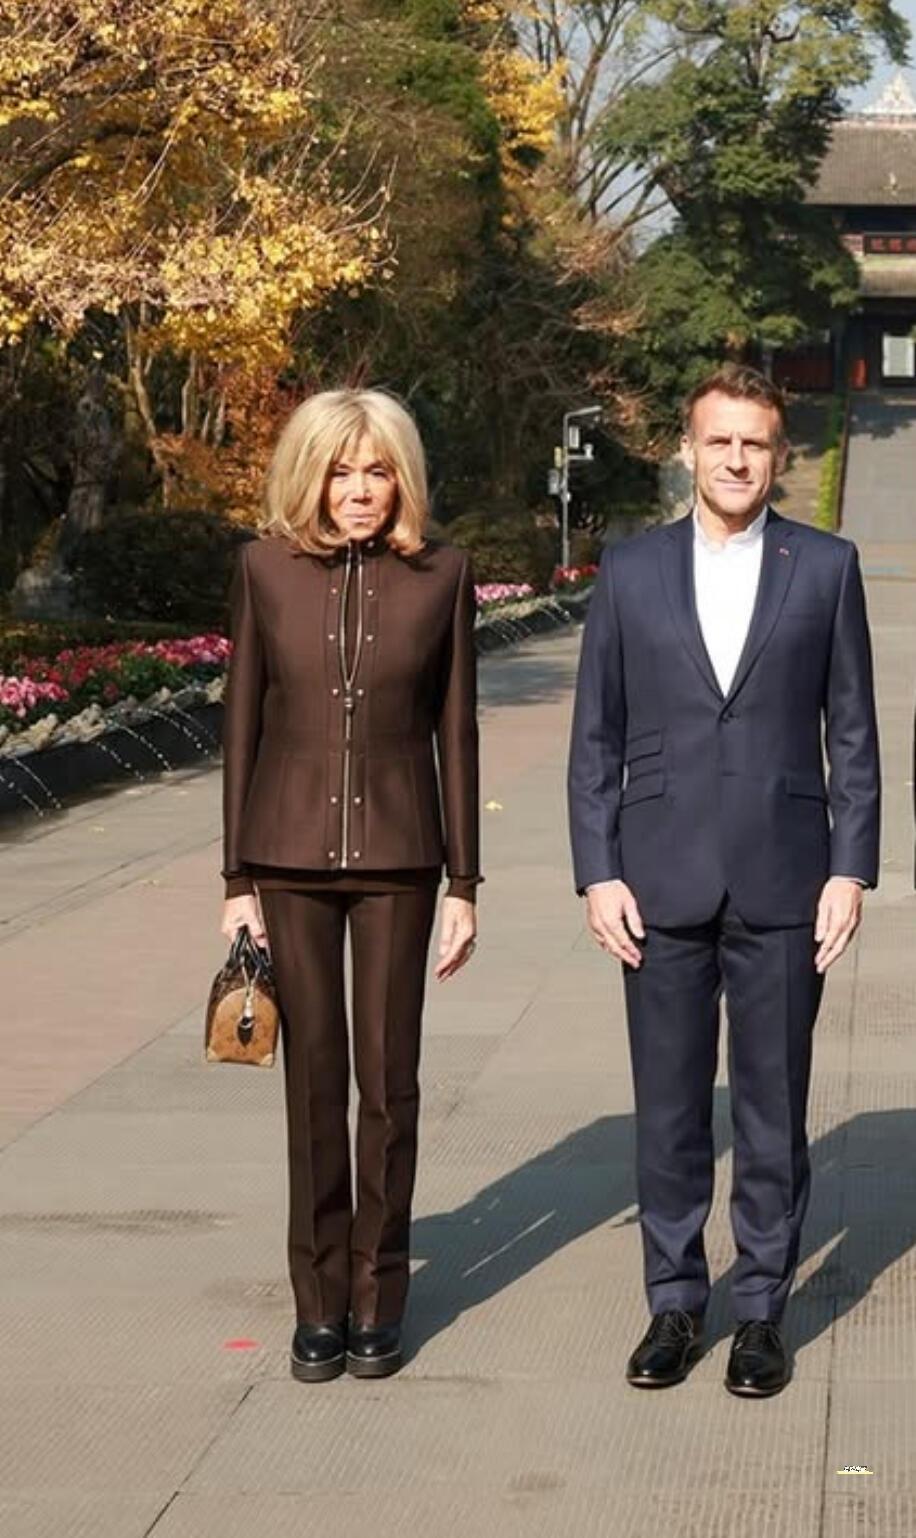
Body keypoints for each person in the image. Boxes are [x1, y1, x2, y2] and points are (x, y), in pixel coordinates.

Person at [568, 364, 880, 1397]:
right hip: (655, 879)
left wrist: (850, 867)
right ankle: (673, 1301)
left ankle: (758, 1312)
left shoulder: (825, 567)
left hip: (786, 876)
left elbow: (853, 732)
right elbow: (595, 737)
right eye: (719, 441)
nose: (737, 459)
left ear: (778, 456)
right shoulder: (630, 570)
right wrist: (598, 872)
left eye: (755, 443)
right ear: (688, 449)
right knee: (667, 1109)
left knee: (771, 1107)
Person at [220, 388, 480, 1383]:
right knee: (313, 1082)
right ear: (310, 476)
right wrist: (236, 878)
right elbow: (241, 722)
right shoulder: (263, 569)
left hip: (402, 860)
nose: (359, 490)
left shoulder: (442, 573)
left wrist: (465, 881)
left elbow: (455, 728)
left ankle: (380, 1296)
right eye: (340, 471)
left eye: (376, 470)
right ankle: (317, 1300)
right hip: (284, 856)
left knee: (389, 1082)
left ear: (401, 478)